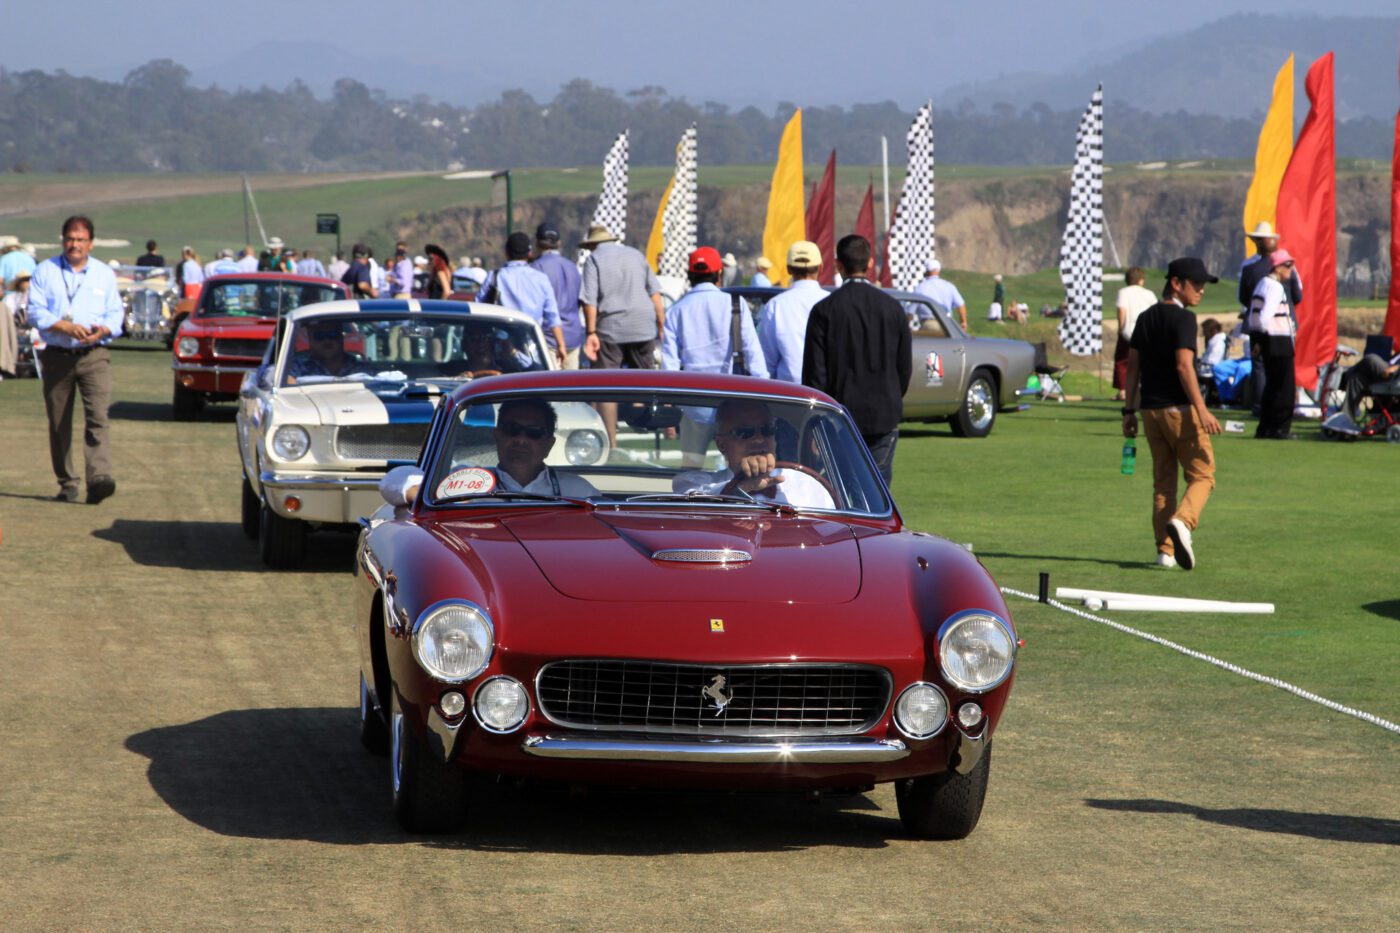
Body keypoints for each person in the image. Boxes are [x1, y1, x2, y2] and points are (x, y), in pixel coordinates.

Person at [1121, 257, 1223, 570]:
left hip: (1150, 412)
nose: (1202, 290)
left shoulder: (1145, 318)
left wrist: (1128, 410)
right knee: (1203, 474)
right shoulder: (1184, 320)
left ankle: (1164, 552)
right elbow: (1183, 365)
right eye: (1196, 284)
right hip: (1179, 409)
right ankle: (1183, 522)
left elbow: (1133, 366)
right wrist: (1202, 409)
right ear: (1176, 284)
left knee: (1164, 485)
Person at [28, 216, 125, 504]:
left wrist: (102, 331)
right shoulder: (45, 271)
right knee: (59, 422)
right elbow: (35, 311)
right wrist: (65, 326)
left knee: (98, 417)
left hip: (94, 355)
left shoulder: (104, 274)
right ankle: (67, 482)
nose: (75, 245)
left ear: (91, 243)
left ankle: (99, 479)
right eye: (70, 238)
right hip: (57, 355)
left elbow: (116, 314)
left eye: (81, 240)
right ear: (63, 240)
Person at [802, 234, 911, 483]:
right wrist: (891, 393)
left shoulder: (824, 310)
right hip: (884, 413)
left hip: (839, 417)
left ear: (839, 265)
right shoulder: (893, 308)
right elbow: (903, 368)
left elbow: (815, 375)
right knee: (878, 490)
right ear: (870, 263)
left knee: (845, 492)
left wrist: (813, 420)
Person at [662, 247, 769, 466]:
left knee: (690, 471)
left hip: (692, 404)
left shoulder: (676, 310)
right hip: (732, 400)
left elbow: (669, 366)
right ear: (719, 275)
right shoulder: (736, 304)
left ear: (690, 275)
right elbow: (753, 356)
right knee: (739, 471)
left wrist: (669, 406)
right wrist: (765, 399)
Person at [381, 398, 599, 503]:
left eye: (533, 432)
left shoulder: (577, 490)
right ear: (497, 435)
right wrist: (425, 494)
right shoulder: (466, 481)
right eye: (512, 430)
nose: (520, 440)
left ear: (549, 444)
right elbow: (393, 481)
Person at [672, 399, 834, 509]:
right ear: (722, 444)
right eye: (744, 432)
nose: (758, 439)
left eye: (767, 430)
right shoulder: (696, 484)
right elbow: (693, 510)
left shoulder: (807, 484)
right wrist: (738, 488)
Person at [579, 223, 664, 370]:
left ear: (592, 245)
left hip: (611, 329)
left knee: (605, 385)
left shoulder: (593, 260)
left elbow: (589, 301)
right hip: (643, 327)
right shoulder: (636, 254)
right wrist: (662, 326)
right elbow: (655, 294)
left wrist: (591, 333)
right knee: (644, 382)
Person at [478, 233, 565, 365]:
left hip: (501, 348)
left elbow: (478, 307)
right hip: (532, 346)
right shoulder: (540, 279)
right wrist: (561, 345)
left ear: (506, 253)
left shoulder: (494, 277)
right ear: (529, 253)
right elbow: (552, 316)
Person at [1246, 249, 1300, 439]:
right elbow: (1264, 317)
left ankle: (1266, 427)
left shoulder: (1262, 283)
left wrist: (1257, 341)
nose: (1292, 270)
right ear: (1277, 268)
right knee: (1284, 387)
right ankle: (1279, 428)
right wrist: (1261, 338)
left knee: (1272, 385)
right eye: (1288, 266)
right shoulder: (1275, 287)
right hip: (1278, 340)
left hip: (1268, 340)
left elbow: (1253, 318)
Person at [757, 240, 825, 383]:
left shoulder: (775, 305)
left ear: (788, 269)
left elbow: (766, 362)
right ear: (821, 267)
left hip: (789, 395)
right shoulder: (832, 302)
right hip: (827, 397)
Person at [530, 223, 585, 369]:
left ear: (537, 242)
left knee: (549, 387)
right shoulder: (572, 267)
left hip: (548, 337)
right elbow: (580, 300)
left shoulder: (535, 268)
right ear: (558, 243)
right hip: (573, 335)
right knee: (571, 387)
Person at [1113, 266, 1157, 401]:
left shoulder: (1123, 292)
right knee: (1145, 361)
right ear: (1141, 280)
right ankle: (1145, 388)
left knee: (1123, 362)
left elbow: (1122, 311)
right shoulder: (1149, 294)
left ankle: (1123, 391)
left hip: (1128, 331)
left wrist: (1120, 328)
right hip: (1147, 333)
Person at [286, 322, 368, 381]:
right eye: (319, 336)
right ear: (310, 340)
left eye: (332, 335)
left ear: (341, 337)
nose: (327, 341)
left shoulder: (363, 369)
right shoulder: (296, 369)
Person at [911, 258, 968, 331]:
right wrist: (964, 322)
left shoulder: (920, 288)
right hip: (947, 324)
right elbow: (960, 304)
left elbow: (911, 311)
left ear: (927, 271)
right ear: (939, 271)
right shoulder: (949, 286)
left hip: (929, 324)